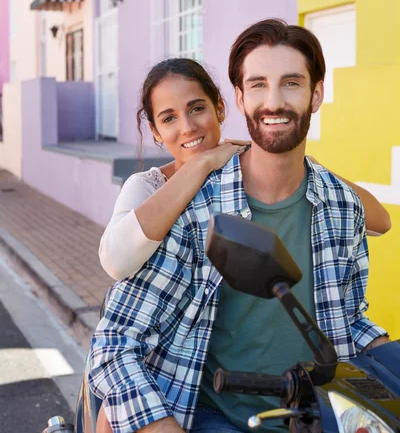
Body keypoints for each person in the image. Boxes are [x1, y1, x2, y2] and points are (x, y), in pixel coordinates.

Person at [88, 20, 391, 433]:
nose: (274, 101)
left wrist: (388, 361)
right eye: (258, 85)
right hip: (212, 416)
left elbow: (347, 318)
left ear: (316, 94)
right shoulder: (188, 206)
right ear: (240, 97)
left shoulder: (340, 205)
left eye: (291, 83)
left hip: (319, 415)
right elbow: (115, 345)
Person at [99, 61, 390, 281]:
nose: (187, 127)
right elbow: (115, 262)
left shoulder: (252, 169)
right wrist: (201, 165)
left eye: (197, 109)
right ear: (156, 131)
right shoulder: (147, 187)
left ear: (220, 109)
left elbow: (379, 221)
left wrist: (298, 165)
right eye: (169, 118)